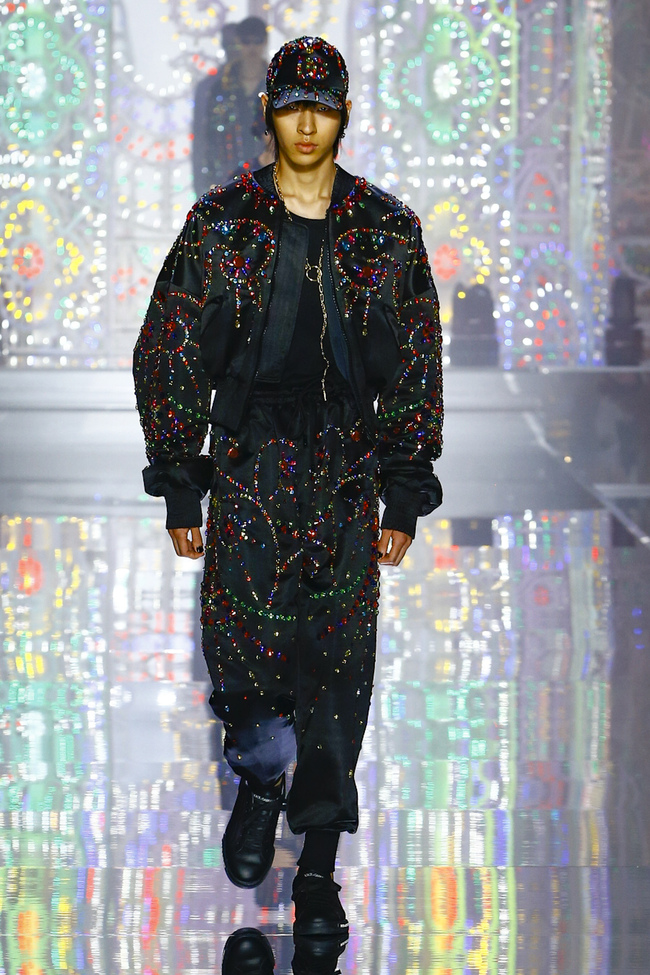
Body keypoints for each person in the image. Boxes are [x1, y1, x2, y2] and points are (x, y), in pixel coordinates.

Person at [134, 34, 443, 958]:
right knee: (244, 650)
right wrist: (179, 476)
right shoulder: (221, 222)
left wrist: (403, 489)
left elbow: (417, 361)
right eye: (292, 105)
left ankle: (317, 868)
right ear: (269, 111)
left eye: (324, 106)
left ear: (345, 115)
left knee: (339, 670)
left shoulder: (387, 229)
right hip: (252, 459)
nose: (308, 123)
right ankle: (262, 774)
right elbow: (169, 346)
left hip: (347, 464)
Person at [192, 17, 268, 196]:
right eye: (246, 41)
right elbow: (208, 140)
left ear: (265, 42)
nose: (252, 47)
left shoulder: (277, 86)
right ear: (239, 43)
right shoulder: (219, 89)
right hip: (228, 180)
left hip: (269, 180)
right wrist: (205, 185)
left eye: (257, 41)